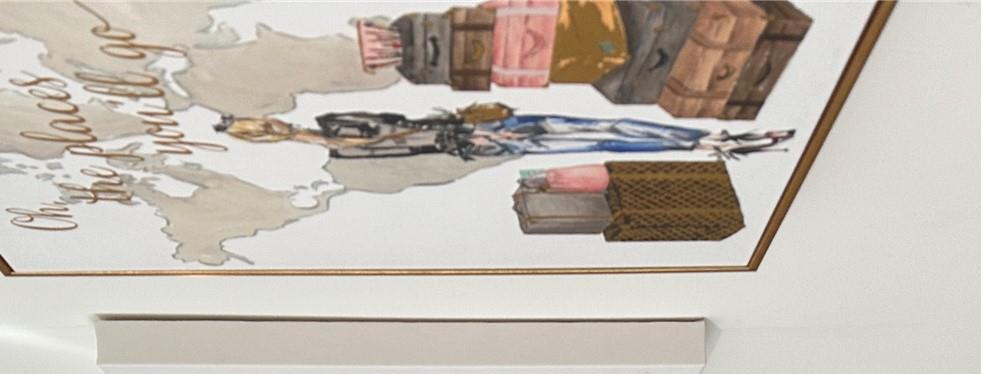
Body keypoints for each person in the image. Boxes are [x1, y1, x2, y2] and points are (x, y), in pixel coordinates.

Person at [217, 104, 794, 161]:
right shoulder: (329, 140)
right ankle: (701, 144)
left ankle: (703, 138)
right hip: (476, 139)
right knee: (601, 139)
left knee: (603, 126)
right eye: (264, 129)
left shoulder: (326, 125)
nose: (275, 124)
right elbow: (385, 141)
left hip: (477, 128)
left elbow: (395, 128)